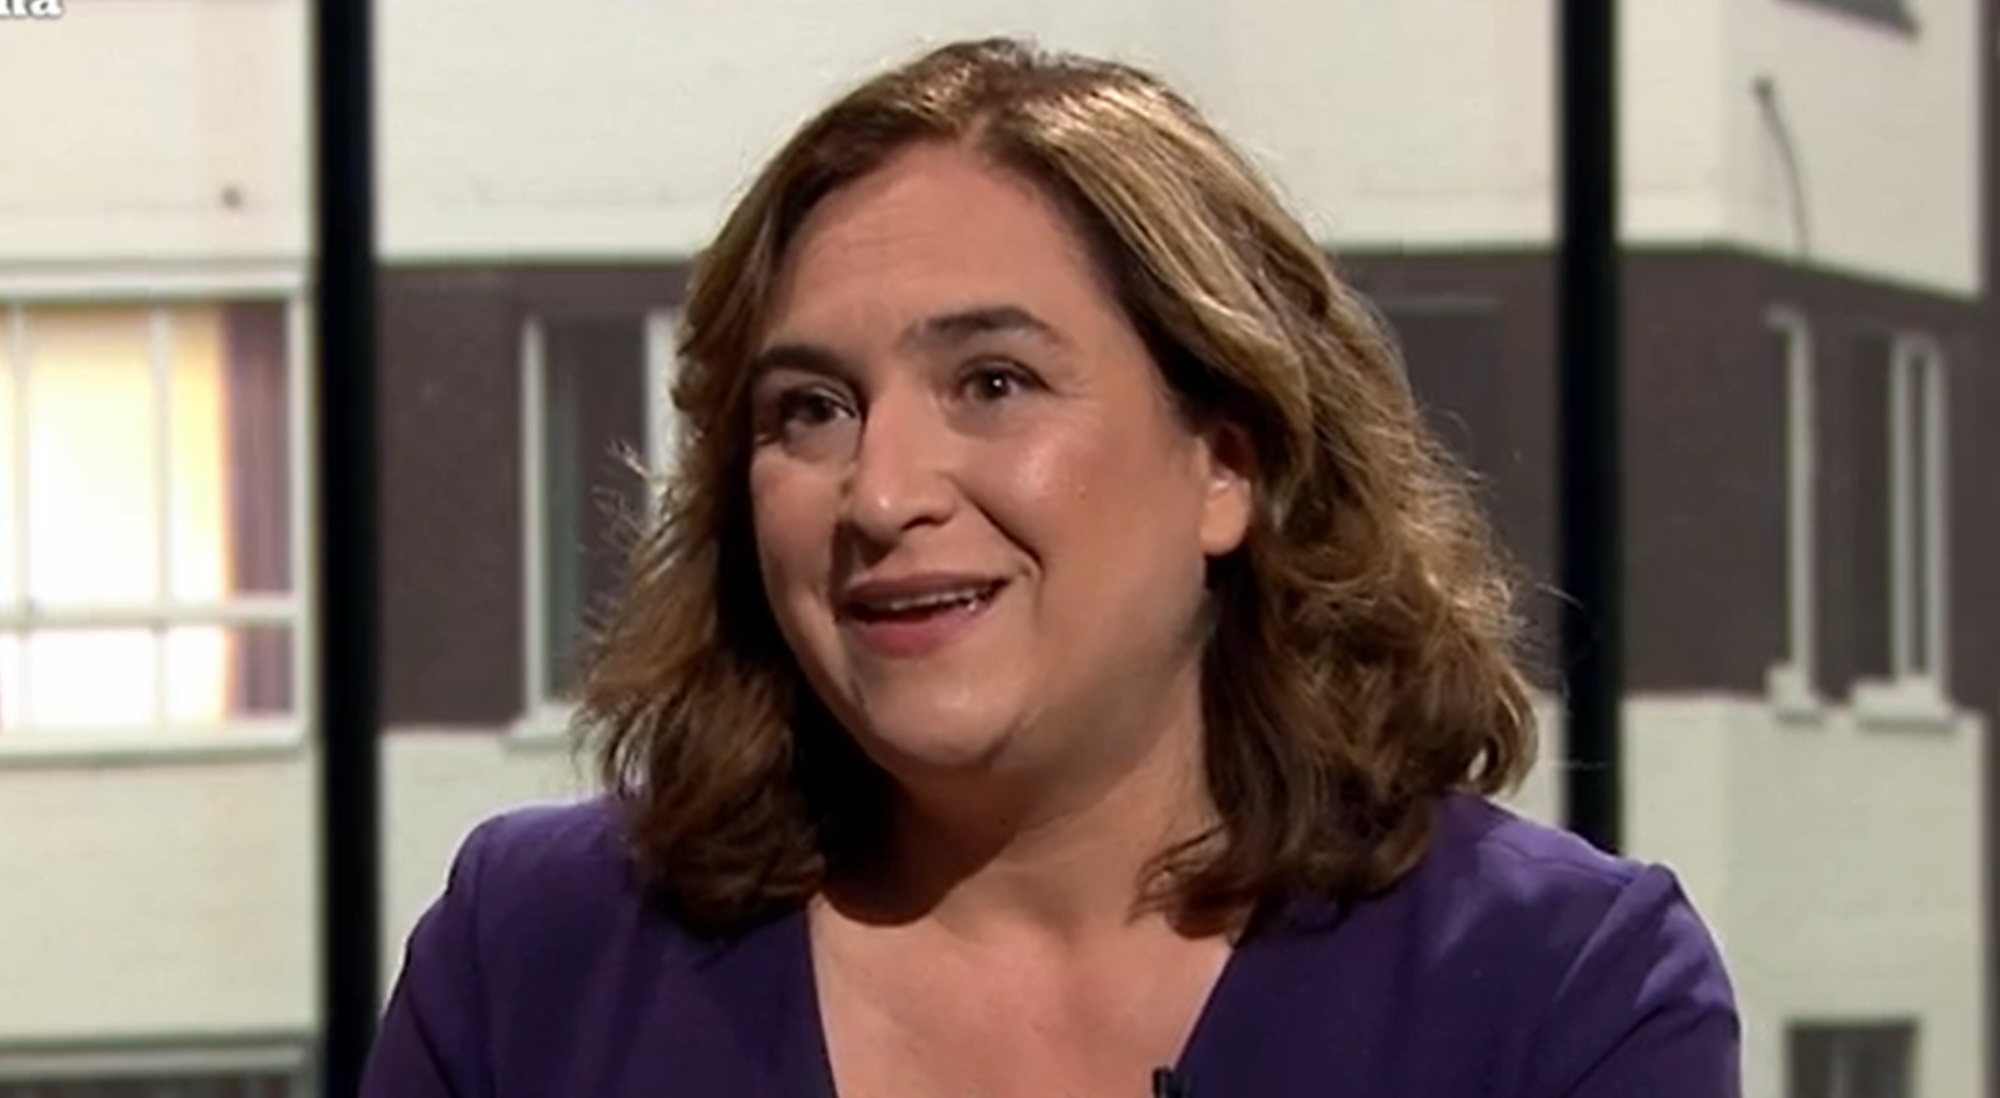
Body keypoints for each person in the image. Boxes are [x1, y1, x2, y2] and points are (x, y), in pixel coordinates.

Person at [361, 37, 1738, 1098]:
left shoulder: (1561, 995)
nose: (881, 493)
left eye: (994, 382)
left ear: (1227, 461)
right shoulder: (534, 961)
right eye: (811, 409)